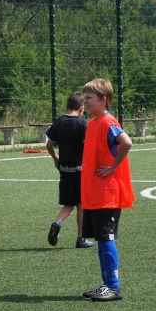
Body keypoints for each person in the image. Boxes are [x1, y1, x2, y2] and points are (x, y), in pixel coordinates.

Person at [79, 78, 134, 302]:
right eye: (84, 97)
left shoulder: (108, 122)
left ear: (103, 100)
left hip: (106, 193)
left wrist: (112, 168)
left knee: (106, 238)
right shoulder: (93, 123)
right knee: (101, 240)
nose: (85, 101)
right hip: (95, 193)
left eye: (89, 98)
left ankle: (114, 286)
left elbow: (126, 142)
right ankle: (106, 284)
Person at [45, 92, 93, 249]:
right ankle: (81, 239)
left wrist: (56, 158)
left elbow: (49, 144)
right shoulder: (83, 124)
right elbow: (88, 148)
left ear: (66, 107)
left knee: (68, 204)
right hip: (80, 170)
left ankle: (58, 221)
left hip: (64, 169)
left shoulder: (58, 122)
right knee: (82, 204)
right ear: (82, 108)